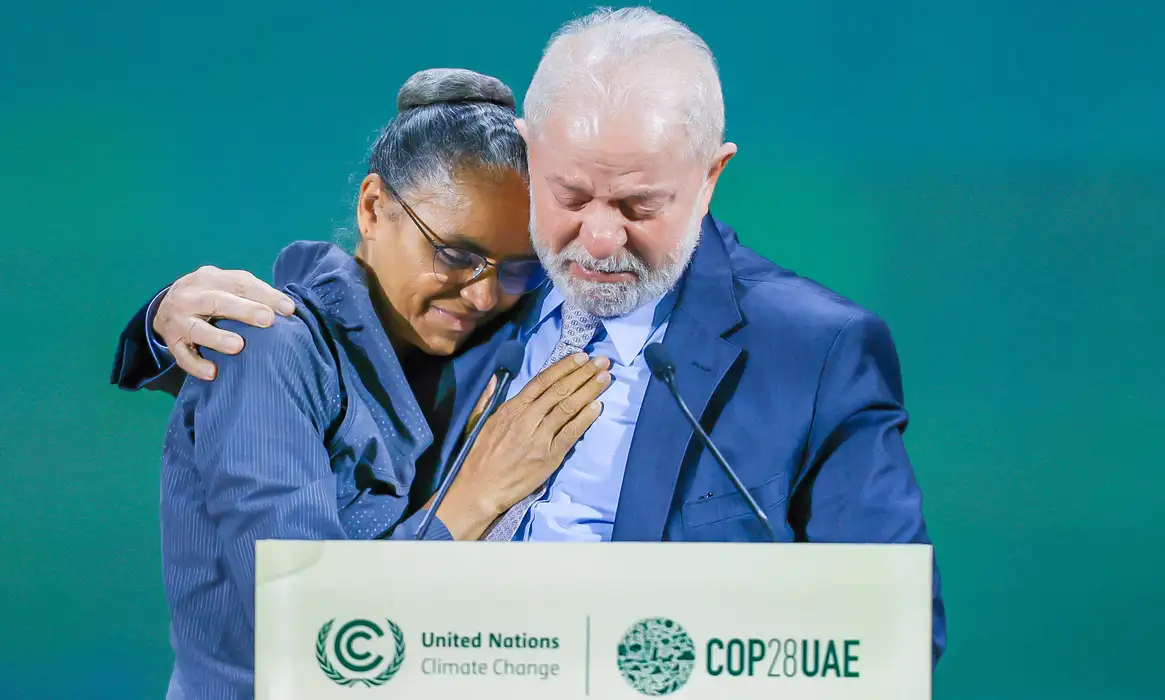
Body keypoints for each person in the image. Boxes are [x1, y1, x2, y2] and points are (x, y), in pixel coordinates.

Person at [113, 8, 946, 668]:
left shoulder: (814, 352)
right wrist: (159, 322)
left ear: (710, 176)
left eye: (640, 205)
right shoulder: (485, 290)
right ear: (534, 163)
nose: (598, 240)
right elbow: (323, 334)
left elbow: (891, 632)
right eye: (571, 194)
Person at [137, 67, 617, 699]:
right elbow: (306, 629)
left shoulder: (487, 333)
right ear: (372, 207)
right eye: (455, 254)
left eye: (520, 270)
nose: (482, 294)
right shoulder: (266, 349)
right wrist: (473, 498)